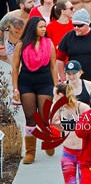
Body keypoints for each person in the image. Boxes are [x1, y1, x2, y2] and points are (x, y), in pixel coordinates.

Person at [11, 16, 57, 164]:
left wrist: (56, 88)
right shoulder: (21, 44)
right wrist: (15, 88)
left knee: (44, 118)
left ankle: (49, 140)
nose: (44, 29)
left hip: (45, 83)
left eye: (45, 26)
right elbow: (15, 67)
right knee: (30, 117)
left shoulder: (49, 43)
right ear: (33, 28)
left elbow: (53, 67)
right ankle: (30, 152)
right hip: (26, 84)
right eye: (41, 27)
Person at [56, 8, 91, 89]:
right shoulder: (68, 37)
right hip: (75, 82)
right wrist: (63, 79)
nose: (76, 28)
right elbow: (59, 59)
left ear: (87, 24)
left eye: (79, 25)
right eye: (74, 25)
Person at [52, 82, 91, 184]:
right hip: (68, 151)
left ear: (60, 95)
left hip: (83, 152)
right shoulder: (59, 109)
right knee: (69, 182)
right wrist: (55, 124)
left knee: (85, 181)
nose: (53, 98)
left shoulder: (82, 107)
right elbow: (62, 129)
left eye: (54, 95)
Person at [0, 0, 34, 65]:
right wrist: (1, 47)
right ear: (21, 5)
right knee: (15, 69)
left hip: (28, 47)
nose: (32, 4)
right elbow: (0, 29)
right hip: (12, 46)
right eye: (29, 2)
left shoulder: (35, 17)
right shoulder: (11, 17)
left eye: (33, 1)